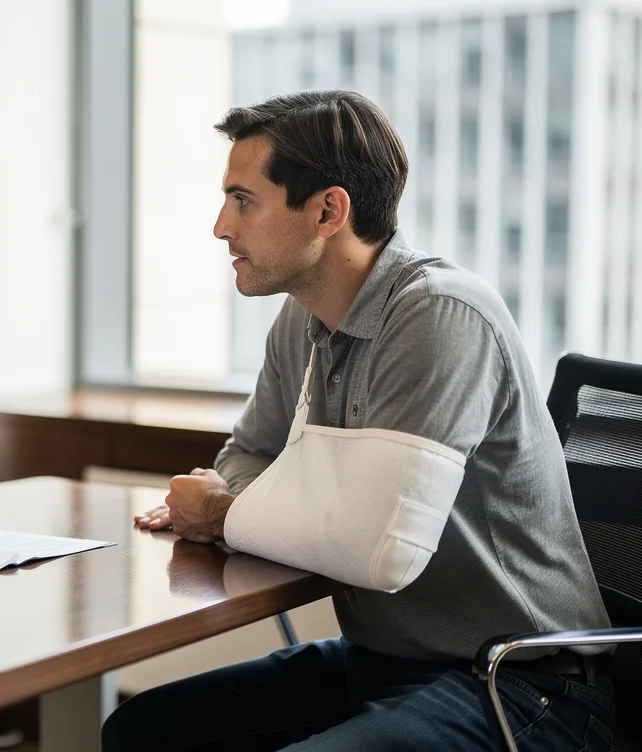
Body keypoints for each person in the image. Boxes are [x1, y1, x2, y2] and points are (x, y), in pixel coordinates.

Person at [103, 90, 615, 751]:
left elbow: (383, 551)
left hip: (520, 682)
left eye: (243, 200)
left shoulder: (440, 317)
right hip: (382, 660)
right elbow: (245, 456)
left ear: (327, 210)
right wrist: (249, 500)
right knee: (142, 730)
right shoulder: (305, 317)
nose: (221, 227)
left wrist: (224, 515)